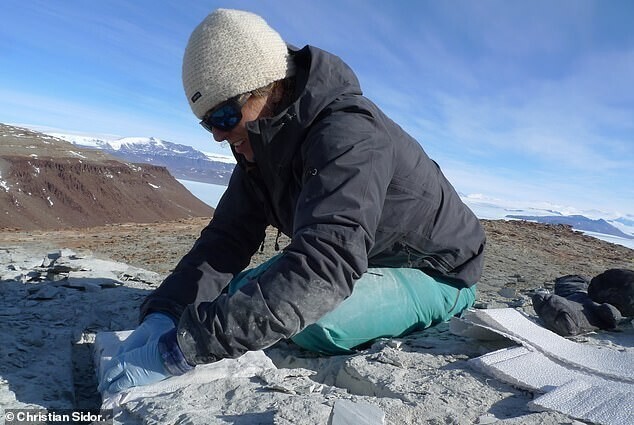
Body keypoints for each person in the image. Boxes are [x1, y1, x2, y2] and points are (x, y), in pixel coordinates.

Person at [99, 8, 486, 393]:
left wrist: (181, 351)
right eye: (207, 121)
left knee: (317, 319)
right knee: (242, 297)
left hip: (437, 272)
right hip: (363, 253)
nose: (218, 135)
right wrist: (165, 312)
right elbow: (225, 239)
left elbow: (324, 272)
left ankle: (447, 303)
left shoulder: (349, 135)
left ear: (267, 85)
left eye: (224, 114)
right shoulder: (259, 147)